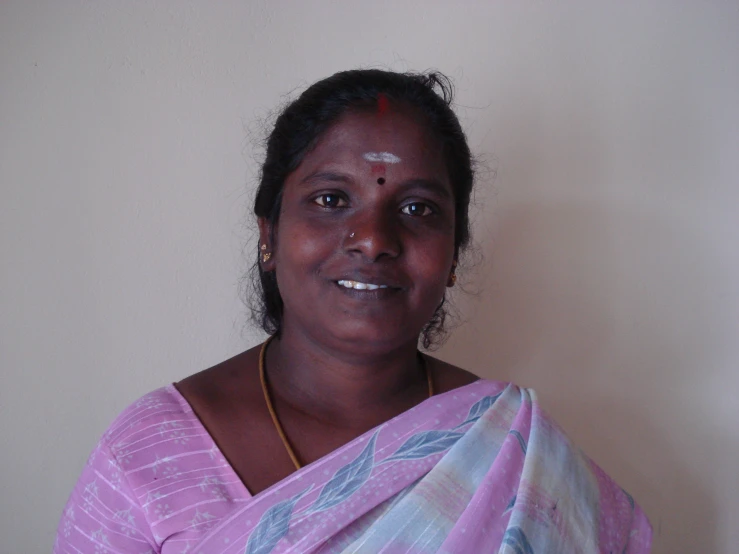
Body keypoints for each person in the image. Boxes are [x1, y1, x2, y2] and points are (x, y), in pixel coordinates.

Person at [54, 69, 652, 553]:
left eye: (418, 209)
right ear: (270, 234)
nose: (373, 238)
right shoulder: (149, 452)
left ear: (452, 256)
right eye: (331, 199)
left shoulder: (517, 456)